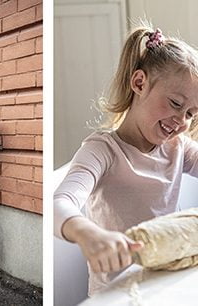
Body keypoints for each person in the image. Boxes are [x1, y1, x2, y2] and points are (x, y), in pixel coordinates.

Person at [54, 22, 198, 295]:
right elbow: (60, 202)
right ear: (139, 83)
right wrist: (88, 233)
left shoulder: (179, 147)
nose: (181, 121)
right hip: (116, 292)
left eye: (191, 113)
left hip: (162, 283)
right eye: (176, 104)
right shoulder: (102, 151)